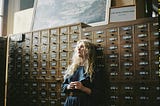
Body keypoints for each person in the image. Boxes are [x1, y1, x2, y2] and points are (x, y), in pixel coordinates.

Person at [62, 39, 106, 106]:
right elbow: (63, 86)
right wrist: (68, 86)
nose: (78, 49)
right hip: (70, 101)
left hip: (85, 102)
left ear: (88, 50)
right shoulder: (72, 68)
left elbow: (100, 94)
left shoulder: (95, 70)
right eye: (78, 47)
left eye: (82, 47)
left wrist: (83, 88)